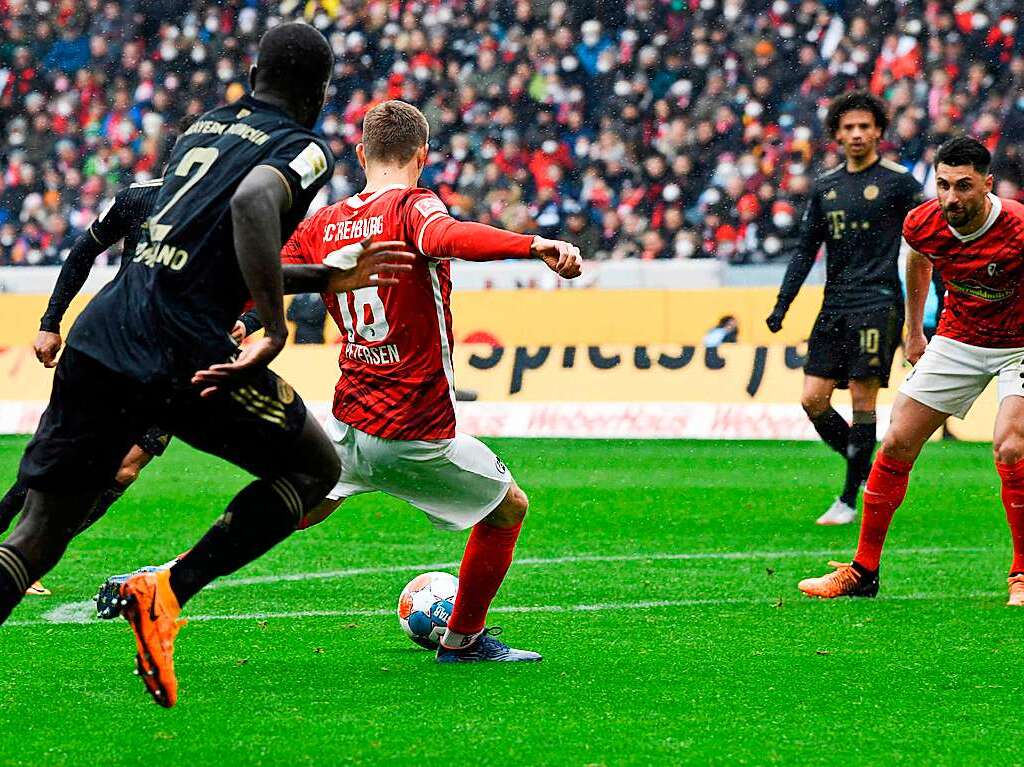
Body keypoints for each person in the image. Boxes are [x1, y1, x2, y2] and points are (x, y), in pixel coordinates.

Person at [0, 23, 413, 711]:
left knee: (36, 535)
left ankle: (150, 592)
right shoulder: (303, 147)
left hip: (106, 333)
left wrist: (321, 278)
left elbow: (215, 249)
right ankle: (164, 592)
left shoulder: (203, 128)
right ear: (318, 92)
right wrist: (277, 329)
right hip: (182, 348)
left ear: (253, 75)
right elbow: (253, 207)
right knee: (315, 469)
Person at [104, 100, 582, 662]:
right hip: (412, 429)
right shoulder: (412, 207)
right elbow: (452, 237)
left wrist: (245, 319)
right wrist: (534, 245)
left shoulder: (325, 223)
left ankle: (161, 580)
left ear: (361, 154)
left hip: (348, 421)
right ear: (422, 156)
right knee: (508, 511)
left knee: (296, 508)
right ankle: (463, 639)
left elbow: (269, 270)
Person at [798, 136, 1024, 605]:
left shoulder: (1019, 227)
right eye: (943, 185)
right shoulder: (923, 222)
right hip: (960, 337)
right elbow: (917, 260)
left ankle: (1021, 574)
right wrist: (914, 331)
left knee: (1009, 446)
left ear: (987, 184)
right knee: (898, 438)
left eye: (964, 186)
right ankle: (863, 572)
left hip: (1020, 345)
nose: (951, 197)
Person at [766, 91, 924, 526]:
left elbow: (931, 239)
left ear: (878, 132)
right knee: (813, 399)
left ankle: (850, 497)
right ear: (836, 134)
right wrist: (783, 303)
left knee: (862, 400)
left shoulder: (899, 182)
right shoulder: (826, 186)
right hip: (834, 302)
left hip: (878, 302)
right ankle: (867, 469)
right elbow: (805, 250)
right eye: (848, 127)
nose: (857, 134)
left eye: (864, 127)